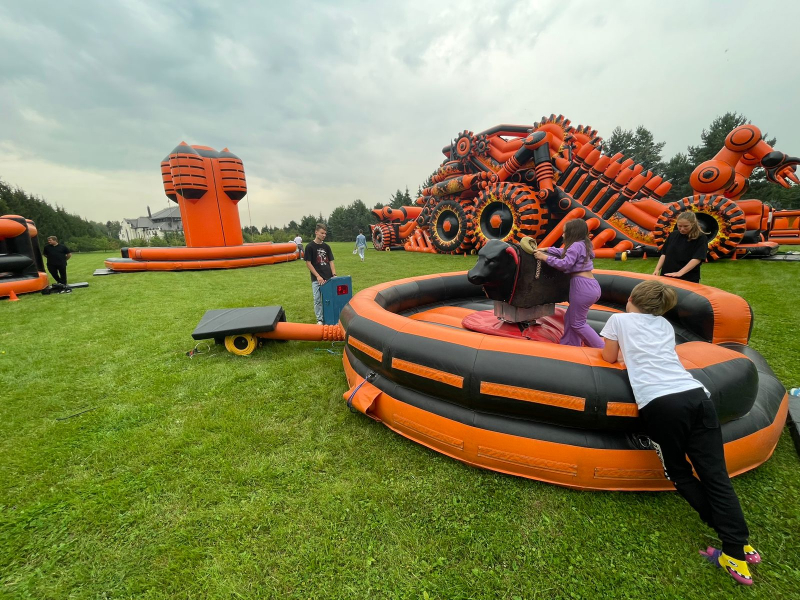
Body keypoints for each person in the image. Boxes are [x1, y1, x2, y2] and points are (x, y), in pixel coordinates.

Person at [600, 280, 759, 586]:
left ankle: (733, 550)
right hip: (697, 395)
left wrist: (621, 355)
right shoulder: (664, 325)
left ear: (630, 298)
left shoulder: (618, 318)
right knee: (715, 475)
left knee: (679, 471)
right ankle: (738, 545)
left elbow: (608, 357)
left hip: (662, 403)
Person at [533, 219, 603, 348]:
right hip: (591, 285)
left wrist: (545, 257)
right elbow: (565, 252)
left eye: (564, 232)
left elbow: (565, 264)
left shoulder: (575, 245)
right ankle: (570, 345)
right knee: (570, 318)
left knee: (578, 323)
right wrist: (548, 249)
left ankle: (601, 348)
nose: (562, 235)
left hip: (582, 287)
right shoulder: (584, 244)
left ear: (572, 233)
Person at [653, 211, 708, 283]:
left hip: (688, 277)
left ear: (693, 224)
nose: (682, 229)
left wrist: (680, 273)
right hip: (667, 274)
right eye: (679, 226)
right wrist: (657, 270)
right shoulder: (673, 235)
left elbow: (697, 258)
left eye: (686, 226)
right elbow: (664, 254)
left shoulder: (701, 237)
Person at [305, 223, 336, 325]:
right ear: (316, 232)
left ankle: (332, 318)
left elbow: (331, 261)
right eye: (322, 233)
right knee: (317, 300)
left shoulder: (326, 247)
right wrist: (318, 276)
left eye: (325, 233)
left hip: (329, 278)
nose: (324, 235)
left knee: (329, 300)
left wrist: (334, 274)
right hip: (316, 279)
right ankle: (320, 319)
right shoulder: (310, 247)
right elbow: (308, 263)